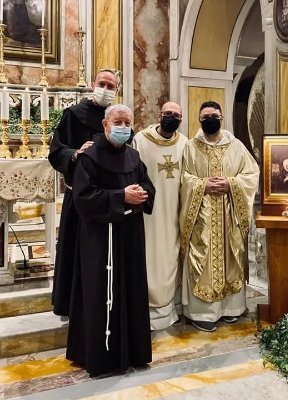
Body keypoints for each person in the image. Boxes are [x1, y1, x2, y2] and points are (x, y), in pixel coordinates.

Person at [67, 104, 155, 376]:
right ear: (105, 125)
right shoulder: (89, 157)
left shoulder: (134, 155)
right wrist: (120, 197)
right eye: (118, 121)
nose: (123, 127)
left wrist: (142, 193)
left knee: (132, 289)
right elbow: (82, 198)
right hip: (100, 238)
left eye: (127, 122)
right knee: (100, 293)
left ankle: (135, 352)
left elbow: (148, 186)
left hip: (130, 236)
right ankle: (102, 357)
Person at [179, 101, 259, 332]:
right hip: (201, 216)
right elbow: (183, 178)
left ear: (221, 118)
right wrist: (202, 185)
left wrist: (231, 183)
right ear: (199, 120)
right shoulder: (191, 147)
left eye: (214, 116)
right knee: (202, 259)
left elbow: (251, 174)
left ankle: (230, 308)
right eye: (205, 117)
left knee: (231, 257)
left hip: (229, 215)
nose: (210, 120)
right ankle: (201, 312)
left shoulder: (236, 146)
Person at [48, 69, 119, 317]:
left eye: (111, 86)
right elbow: (57, 151)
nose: (106, 89)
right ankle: (71, 303)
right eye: (102, 84)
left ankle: (103, 300)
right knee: (76, 250)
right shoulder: (73, 115)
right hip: (79, 198)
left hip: (108, 200)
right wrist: (76, 153)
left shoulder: (117, 118)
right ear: (92, 84)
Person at [134, 101, 188, 330]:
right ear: (159, 115)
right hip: (147, 213)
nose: (171, 117)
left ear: (181, 120)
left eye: (176, 115)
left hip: (174, 212)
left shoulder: (185, 144)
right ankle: (144, 304)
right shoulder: (140, 140)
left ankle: (169, 305)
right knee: (148, 254)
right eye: (168, 113)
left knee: (170, 255)